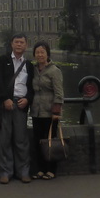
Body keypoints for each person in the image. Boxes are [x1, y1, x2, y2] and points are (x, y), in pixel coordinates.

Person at [0, 33, 35, 184]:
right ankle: (5, 172)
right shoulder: (3, 61)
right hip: (6, 105)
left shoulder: (29, 65)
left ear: (26, 45)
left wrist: (28, 99)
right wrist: (4, 99)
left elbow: (32, 87)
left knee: (21, 140)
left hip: (21, 105)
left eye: (22, 42)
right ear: (11, 44)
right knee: (4, 140)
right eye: (16, 42)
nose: (19, 45)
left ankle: (23, 172)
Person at [30, 41, 64, 180]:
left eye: (42, 52)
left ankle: (51, 170)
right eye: (37, 52)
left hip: (50, 112)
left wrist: (56, 111)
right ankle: (40, 169)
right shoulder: (33, 70)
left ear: (47, 54)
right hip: (36, 111)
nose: (40, 55)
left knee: (50, 141)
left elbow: (59, 93)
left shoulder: (54, 71)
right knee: (38, 141)